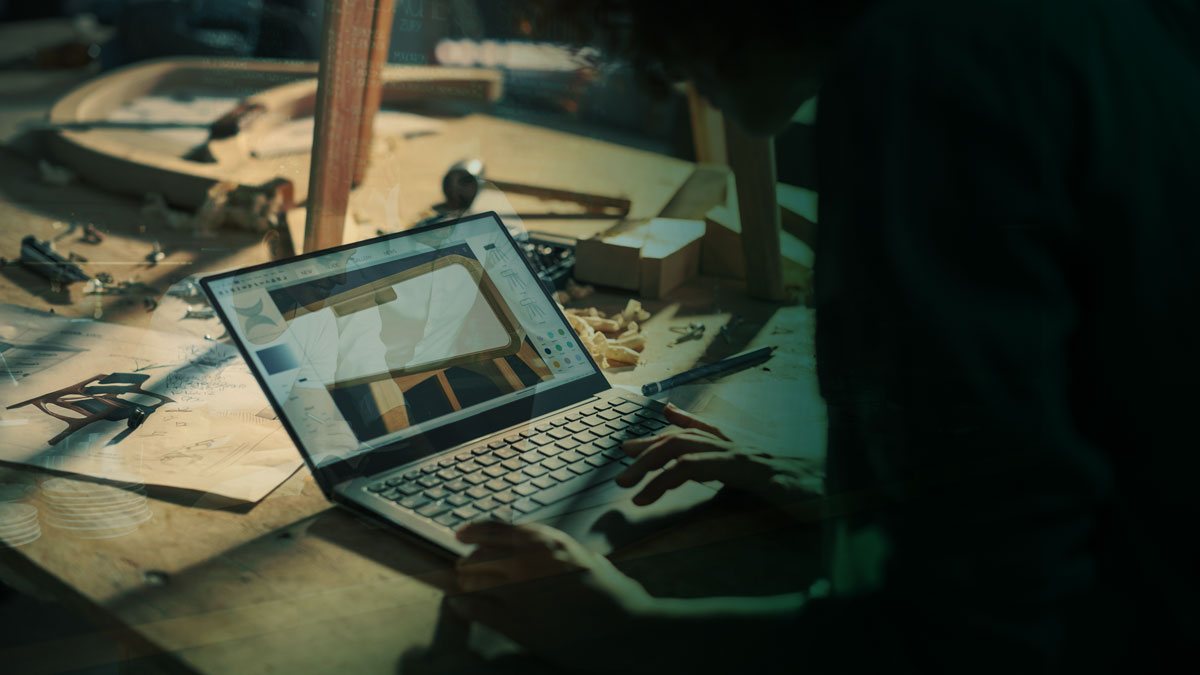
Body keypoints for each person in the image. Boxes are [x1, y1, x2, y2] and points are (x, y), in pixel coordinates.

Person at [449, 1, 1200, 672]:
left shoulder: (931, 72)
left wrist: (624, 632)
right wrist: (849, 487)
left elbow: (981, 642)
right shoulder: (1061, 28)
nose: (661, 67)